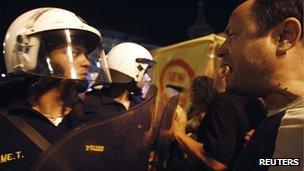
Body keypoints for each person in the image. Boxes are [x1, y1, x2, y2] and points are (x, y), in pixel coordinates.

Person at [0, 7, 107, 170]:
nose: (87, 62)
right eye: (74, 52)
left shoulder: (93, 122)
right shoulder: (6, 122)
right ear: (34, 57)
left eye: (85, 54)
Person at [215, 0, 303, 170]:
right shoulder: (282, 123)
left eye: (232, 35)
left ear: (285, 36)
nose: (221, 50)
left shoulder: (298, 129)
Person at [172, 58, 267, 170]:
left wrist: (179, 133)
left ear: (224, 70)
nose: (211, 77)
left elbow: (216, 162)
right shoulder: (257, 103)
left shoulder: (223, 102)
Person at [84, 42, 155, 120]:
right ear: (132, 71)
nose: (148, 78)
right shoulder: (90, 103)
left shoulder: (139, 103)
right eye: (145, 72)